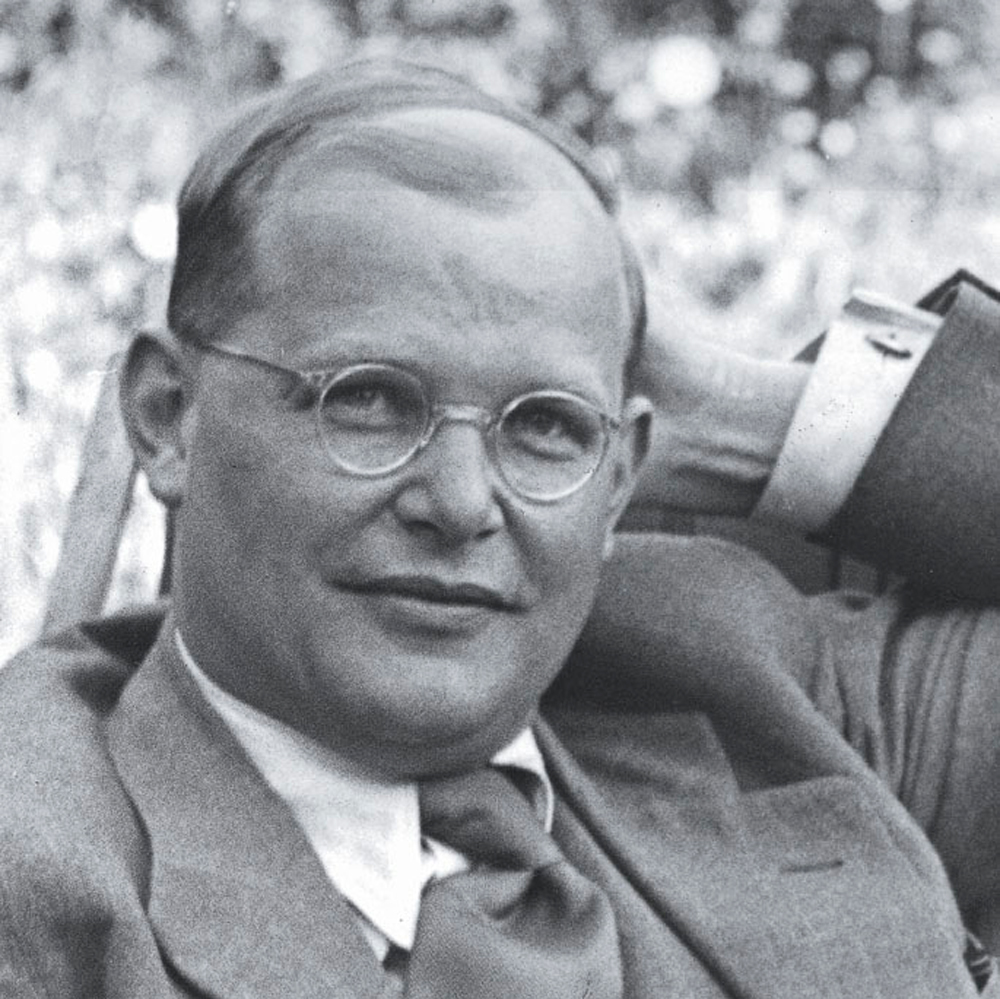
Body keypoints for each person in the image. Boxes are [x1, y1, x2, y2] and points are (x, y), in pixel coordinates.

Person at [1, 59, 999, 999]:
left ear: (622, 474)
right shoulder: (42, 882)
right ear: (168, 416)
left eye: (545, 426)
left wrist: (755, 424)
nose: (462, 502)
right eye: (368, 400)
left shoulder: (739, 683)